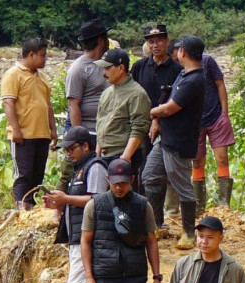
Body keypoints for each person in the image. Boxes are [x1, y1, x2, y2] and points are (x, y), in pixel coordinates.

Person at [43, 126, 108, 283]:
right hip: (77, 238)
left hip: (88, 238)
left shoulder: (95, 167)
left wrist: (66, 198)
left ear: (85, 146)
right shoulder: (79, 168)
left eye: (72, 149)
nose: (68, 153)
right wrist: (59, 203)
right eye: (66, 150)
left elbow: (97, 200)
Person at [142, 35, 206, 249]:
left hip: (179, 140)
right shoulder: (183, 74)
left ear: (183, 53)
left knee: (182, 186)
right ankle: (157, 224)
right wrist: (157, 119)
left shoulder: (194, 80)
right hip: (165, 138)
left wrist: (149, 112)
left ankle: (189, 232)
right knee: (150, 175)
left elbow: (171, 107)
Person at [1, 38, 58, 210]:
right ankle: (21, 210)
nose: (45, 59)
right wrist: (16, 130)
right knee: (23, 176)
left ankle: (31, 208)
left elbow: (47, 106)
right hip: (23, 136)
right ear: (31, 55)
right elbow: (8, 103)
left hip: (42, 134)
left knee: (37, 175)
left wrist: (53, 130)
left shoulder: (42, 78)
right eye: (42, 56)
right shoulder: (13, 75)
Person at [131, 24, 183, 209]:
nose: (155, 45)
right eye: (151, 41)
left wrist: (158, 121)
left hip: (167, 128)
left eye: (159, 40)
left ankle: (158, 216)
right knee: (139, 167)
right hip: (140, 125)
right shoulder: (139, 67)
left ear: (167, 42)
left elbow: (177, 101)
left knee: (159, 172)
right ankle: (140, 212)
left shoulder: (176, 69)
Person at [56, 20, 111, 192]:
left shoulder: (107, 64)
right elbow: (74, 106)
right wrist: (81, 137)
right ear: (101, 40)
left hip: (106, 130)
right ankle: (59, 206)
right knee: (72, 171)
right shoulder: (78, 69)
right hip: (88, 130)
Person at [94, 49, 152, 192]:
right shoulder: (107, 92)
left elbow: (139, 129)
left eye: (108, 68)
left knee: (125, 199)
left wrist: (125, 158)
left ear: (121, 69)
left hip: (123, 154)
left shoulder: (137, 93)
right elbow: (101, 122)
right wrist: (97, 153)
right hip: (105, 154)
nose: (103, 73)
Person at [191, 53, 236, 213]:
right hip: (195, 121)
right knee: (197, 162)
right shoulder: (180, 66)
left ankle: (224, 205)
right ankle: (199, 206)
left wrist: (225, 113)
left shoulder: (207, 61)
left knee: (222, 158)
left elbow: (220, 84)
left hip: (216, 116)